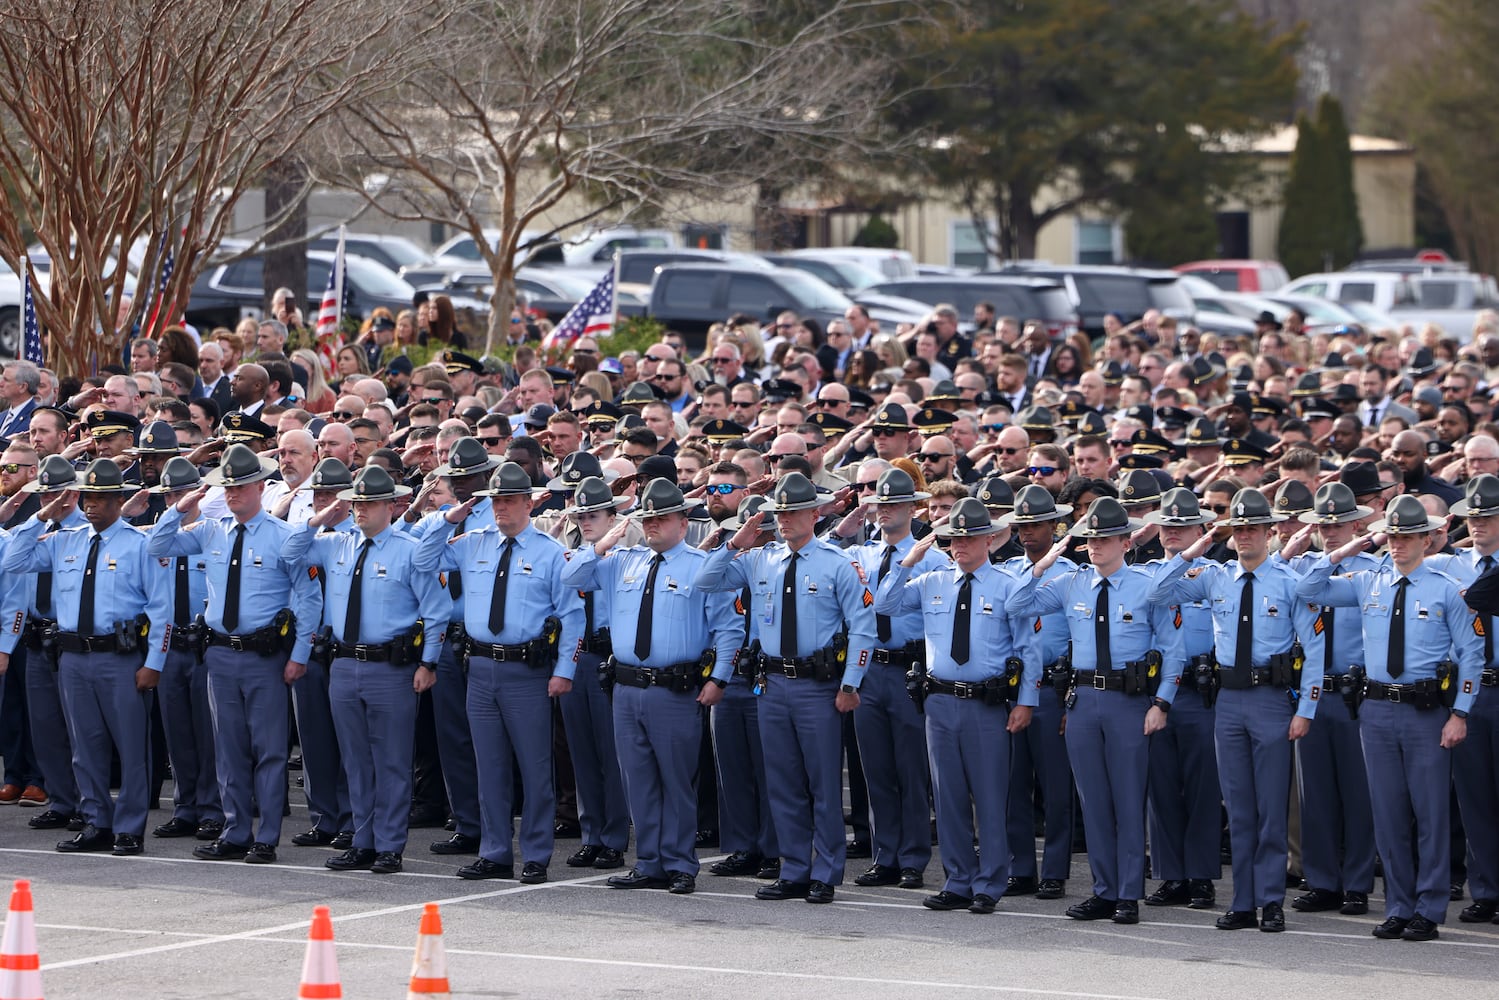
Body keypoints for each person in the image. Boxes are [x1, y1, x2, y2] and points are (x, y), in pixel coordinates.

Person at [1297, 493, 1481, 941]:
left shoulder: (1443, 589)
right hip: (1376, 709)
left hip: (1425, 712)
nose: (1398, 545)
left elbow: (1472, 655)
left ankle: (1429, 907)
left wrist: (1460, 713)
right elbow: (1307, 590)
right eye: (1393, 536)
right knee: (1388, 813)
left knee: (1430, 813)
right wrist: (1347, 549)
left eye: (1407, 537)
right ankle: (1399, 905)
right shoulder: (1368, 580)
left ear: (1427, 539)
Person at [1150, 489, 1323, 933]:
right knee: (1239, 809)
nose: (1245, 536)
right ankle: (1243, 901)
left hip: (1270, 700)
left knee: (1269, 809)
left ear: (1269, 531)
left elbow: (1316, 647)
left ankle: (1271, 900)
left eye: (1252, 529)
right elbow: (1157, 592)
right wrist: (1198, 545)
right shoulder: (1214, 576)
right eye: (1238, 528)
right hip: (1227, 701)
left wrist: (1306, 708)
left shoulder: (1288, 582)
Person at [698, 472, 875, 904]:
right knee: (782, 781)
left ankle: (825, 872)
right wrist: (738, 541)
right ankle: (794, 867)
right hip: (772, 682)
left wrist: (851, 683)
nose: (785, 520)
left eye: (794, 512)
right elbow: (706, 580)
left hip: (818, 686)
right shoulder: (762, 558)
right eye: (779, 513)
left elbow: (864, 628)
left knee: (822, 784)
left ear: (815, 513)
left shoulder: (837, 562)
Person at [1007, 497, 1185, 926]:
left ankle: (1128, 894)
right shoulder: (1072, 583)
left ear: (1126, 541)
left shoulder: (1148, 585)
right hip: (1084, 700)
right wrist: (1045, 564)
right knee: (1094, 801)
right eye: (1090, 539)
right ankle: (1104, 891)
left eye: (1105, 538)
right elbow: (1017, 604)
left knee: (1127, 800)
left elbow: (1173, 648)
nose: (1095, 546)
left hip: (1129, 700)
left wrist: (1162, 702)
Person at [562, 478, 742, 895]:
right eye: (647, 518)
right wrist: (604, 541)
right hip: (626, 688)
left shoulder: (701, 565)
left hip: (675, 688)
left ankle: (679, 863)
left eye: (662, 517)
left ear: (683, 521)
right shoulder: (624, 560)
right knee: (638, 780)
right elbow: (571, 576)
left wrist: (720, 678)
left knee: (676, 779)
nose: (654, 525)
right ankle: (649, 861)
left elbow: (729, 629)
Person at [148, 444, 322, 864]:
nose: (233, 494)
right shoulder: (210, 530)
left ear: (260, 487)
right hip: (221, 654)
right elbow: (157, 546)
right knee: (227, 748)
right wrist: (182, 505)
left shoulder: (283, 537)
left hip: (264, 655)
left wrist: (299, 653)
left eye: (241, 486)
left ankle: (266, 837)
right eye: (227, 487)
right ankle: (235, 830)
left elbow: (309, 598)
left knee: (269, 750)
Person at [414, 462, 583, 883]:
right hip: (481, 666)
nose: (502, 508)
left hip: (527, 670)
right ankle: (494, 851)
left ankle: (537, 855)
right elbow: (420, 559)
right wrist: (446, 518)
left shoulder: (548, 552)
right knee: (487, 765)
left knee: (534, 766)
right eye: (495, 501)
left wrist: (564, 670)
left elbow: (573, 615)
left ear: (529, 502)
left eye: (509, 500)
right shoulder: (472, 542)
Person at [283, 466, 449, 875]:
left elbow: (438, 609)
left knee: (391, 760)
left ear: (391, 506)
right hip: (343, 663)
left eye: (370, 502)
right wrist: (319, 518)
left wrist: (429, 662)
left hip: (390, 667)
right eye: (357, 502)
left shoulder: (409, 550)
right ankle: (363, 839)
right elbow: (288, 552)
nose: (361, 510)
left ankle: (389, 845)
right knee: (355, 760)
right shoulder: (336, 543)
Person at [877, 497, 1040, 913]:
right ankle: (958, 879)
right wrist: (908, 562)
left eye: (968, 537)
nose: (959, 545)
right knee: (947, 797)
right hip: (940, 701)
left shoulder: (1006, 585)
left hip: (985, 703)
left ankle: (990, 882)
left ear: (989, 539)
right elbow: (884, 605)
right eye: (953, 538)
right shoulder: (932, 580)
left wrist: (1026, 702)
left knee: (989, 797)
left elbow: (1028, 648)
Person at [1, 459, 170, 856]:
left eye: (100, 498)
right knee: (85, 746)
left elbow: (161, 609)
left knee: (130, 747)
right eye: (87, 497)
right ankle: (96, 821)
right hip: (73, 657)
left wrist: (154, 663)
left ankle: (128, 828)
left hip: (120, 656)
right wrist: (41, 515)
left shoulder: (139, 545)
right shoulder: (65, 540)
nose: (91, 505)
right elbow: (13, 561)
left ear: (117, 501)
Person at [1275, 483, 1380, 918]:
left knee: (1358, 794)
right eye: (1323, 524)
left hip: (1355, 693)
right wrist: (1292, 550)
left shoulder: (1376, 568)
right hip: (1311, 694)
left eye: (1339, 523)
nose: (1331, 532)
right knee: (1314, 794)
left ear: (1358, 524)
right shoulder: (1299, 567)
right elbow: (1270, 581)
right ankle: (1321, 881)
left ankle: (1356, 884)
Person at [848, 468, 947, 892]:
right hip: (870, 669)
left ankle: (912, 858)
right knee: (876, 770)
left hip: (909, 669)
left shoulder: (935, 556)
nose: (884, 510)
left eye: (893, 504)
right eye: (879, 503)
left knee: (910, 769)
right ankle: (884, 855)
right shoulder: (863, 555)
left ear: (913, 507)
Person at [405, 438, 500, 853]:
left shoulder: (498, 518)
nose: (462, 485)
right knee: (453, 738)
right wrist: (445, 519)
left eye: (469, 477)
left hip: (481, 637)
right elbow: (419, 559)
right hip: (446, 637)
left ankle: (495, 824)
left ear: (486, 476)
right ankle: (468, 824)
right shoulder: (440, 518)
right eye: (455, 477)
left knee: (491, 740)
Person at [1139, 488, 1222, 911]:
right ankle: (1171, 875)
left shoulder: (1214, 573)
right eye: (1168, 525)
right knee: (1162, 787)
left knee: (1202, 787)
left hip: (1200, 689)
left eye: (1183, 526)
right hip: (1155, 691)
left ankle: (1201, 875)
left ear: (1201, 528)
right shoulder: (1150, 573)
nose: (1174, 533)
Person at [138, 457, 224, 843]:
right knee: (177, 733)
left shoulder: (213, 534)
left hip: (204, 644)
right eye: (170, 494)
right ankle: (185, 807)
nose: (176, 499)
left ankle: (212, 808)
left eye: (182, 493)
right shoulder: (159, 537)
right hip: (170, 644)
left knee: (209, 735)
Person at [998, 484, 1076, 902]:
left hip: (1051, 685)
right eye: (1022, 525)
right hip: (1009, 688)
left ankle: (1056, 869)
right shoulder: (1007, 571)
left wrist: (1070, 695)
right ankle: (1021, 867)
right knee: (1012, 783)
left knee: (1056, 785)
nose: (1028, 533)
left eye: (1036, 524)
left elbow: (1080, 639)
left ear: (1054, 526)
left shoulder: (1072, 573)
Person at [551, 478, 634, 872]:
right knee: (581, 753)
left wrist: (604, 549)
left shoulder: (628, 556)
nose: (585, 522)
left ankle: (614, 838)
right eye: (581, 515)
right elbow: (572, 579)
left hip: (610, 657)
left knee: (610, 755)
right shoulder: (578, 556)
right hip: (578, 658)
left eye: (594, 515)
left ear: (613, 518)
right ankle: (591, 835)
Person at [0, 457, 85, 832]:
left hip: (71, 640)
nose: (53, 498)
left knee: (80, 729)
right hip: (36, 638)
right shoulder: (35, 532)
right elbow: (14, 565)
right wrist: (36, 518)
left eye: (60, 491)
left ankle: (87, 801)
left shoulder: (87, 531)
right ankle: (61, 800)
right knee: (45, 728)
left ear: (76, 492)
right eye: (46, 491)